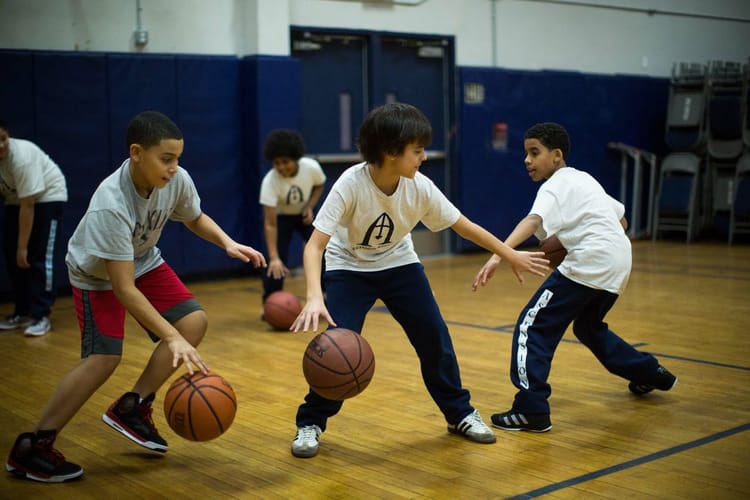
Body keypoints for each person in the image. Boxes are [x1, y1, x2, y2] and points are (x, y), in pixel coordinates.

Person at [5, 111, 266, 483]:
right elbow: (123, 288)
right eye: (166, 158)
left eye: (177, 158)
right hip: (95, 275)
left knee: (193, 322)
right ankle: (32, 447)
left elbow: (193, 217)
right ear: (136, 153)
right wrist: (170, 338)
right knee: (103, 359)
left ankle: (132, 407)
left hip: (142, 259)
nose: (174, 167)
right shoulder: (111, 202)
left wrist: (228, 242)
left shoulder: (176, 179)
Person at [288, 103, 550, 458]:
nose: (424, 157)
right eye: (417, 150)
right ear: (390, 152)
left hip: (399, 264)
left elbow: (464, 226)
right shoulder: (351, 184)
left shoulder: (420, 187)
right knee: (336, 351)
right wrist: (314, 296)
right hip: (349, 268)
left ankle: (459, 413)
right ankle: (311, 422)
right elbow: (315, 245)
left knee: (434, 339)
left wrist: (509, 254)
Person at [472, 122, 677, 433]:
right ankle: (650, 372)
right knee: (589, 327)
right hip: (619, 260)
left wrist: (498, 254)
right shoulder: (584, 179)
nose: (527, 160)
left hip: (591, 260)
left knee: (533, 324)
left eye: (534, 153)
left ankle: (531, 409)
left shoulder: (554, 185)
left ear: (556, 156)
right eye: (526, 153)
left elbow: (532, 220)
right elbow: (621, 219)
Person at [0, 120, 67, 336]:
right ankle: (22, 312)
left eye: (3, 138)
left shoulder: (22, 157)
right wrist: (17, 249)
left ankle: (41, 315)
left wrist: (23, 247)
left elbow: (28, 205)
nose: (1, 145)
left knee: (38, 257)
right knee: (12, 257)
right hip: (15, 201)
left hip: (47, 197)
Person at [259, 129, 326, 308]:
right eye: (276, 163)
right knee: (275, 261)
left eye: (285, 162)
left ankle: (325, 296)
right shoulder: (269, 182)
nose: (281, 167)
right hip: (281, 218)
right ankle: (270, 302)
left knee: (325, 252)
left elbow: (319, 184)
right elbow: (270, 224)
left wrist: (309, 206)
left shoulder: (311, 168)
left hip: (304, 214)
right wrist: (273, 257)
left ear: (295, 159)